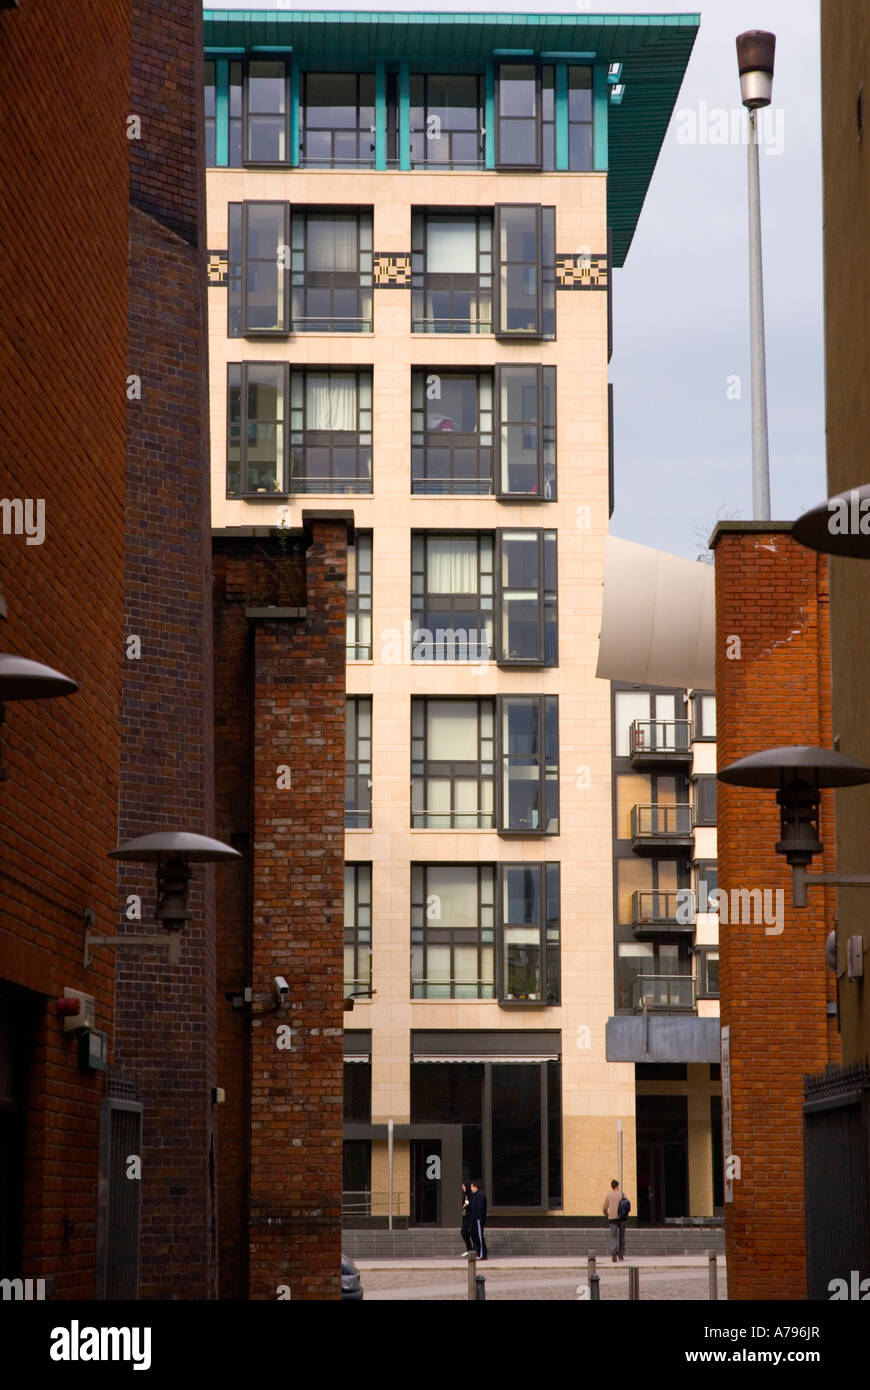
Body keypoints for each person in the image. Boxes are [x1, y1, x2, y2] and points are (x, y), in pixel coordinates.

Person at [603, 1178, 627, 1262]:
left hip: (612, 1218)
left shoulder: (608, 1195)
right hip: (622, 1218)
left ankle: (613, 1251)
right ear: (617, 1186)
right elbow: (627, 1205)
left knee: (613, 1236)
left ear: (611, 1187)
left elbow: (604, 1207)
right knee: (621, 1236)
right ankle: (621, 1255)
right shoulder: (622, 1194)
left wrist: (607, 1215)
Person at [469, 1180, 488, 1261]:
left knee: (479, 1236)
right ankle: (479, 1252)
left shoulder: (480, 1195)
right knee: (475, 1235)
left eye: (471, 1187)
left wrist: (478, 1217)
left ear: (475, 1187)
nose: (471, 1188)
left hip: (478, 1219)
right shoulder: (475, 1195)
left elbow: (479, 1208)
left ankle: (482, 1254)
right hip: (475, 1219)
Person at [460, 1182, 475, 1255]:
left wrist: (465, 1206)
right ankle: (469, 1249)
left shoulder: (471, 1195)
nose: (462, 1187)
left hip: (471, 1217)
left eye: (463, 1186)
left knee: (466, 1231)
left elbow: (471, 1205)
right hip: (466, 1216)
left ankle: (471, 1249)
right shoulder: (466, 1195)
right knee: (464, 1232)